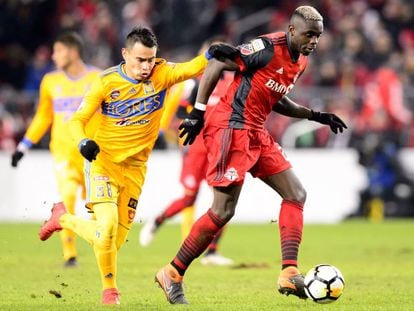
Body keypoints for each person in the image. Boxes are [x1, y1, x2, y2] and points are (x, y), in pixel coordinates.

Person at [155, 5, 348, 305]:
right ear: (292, 30)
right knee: (222, 211)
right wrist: (197, 112)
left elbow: (277, 98)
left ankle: (289, 271)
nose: (314, 41)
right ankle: (173, 272)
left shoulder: (301, 61)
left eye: (318, 36)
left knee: (296, 193)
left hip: (255, 130)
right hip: (230, 126)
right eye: (309, 35)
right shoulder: (268, 47)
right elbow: (218, 62)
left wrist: (316, 115)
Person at [38, 26, 212, 305]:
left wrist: (213, 52)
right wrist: (83, 142)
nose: (146, 66)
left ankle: (63, 219)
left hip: (135, 171)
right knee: (105, 229)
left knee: (111, 243)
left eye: (151, 60)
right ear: (125, 54)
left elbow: (194, 67)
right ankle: (111, 292)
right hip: (102, 164)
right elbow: (76, 120)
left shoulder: (162, 74)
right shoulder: (105, 82)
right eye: (140, 60)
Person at [11, 32, 101, 268]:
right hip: (63, 155)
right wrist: (24, 145)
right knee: (68, 199)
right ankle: (70, 255)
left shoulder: (97, 78)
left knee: (99, 207)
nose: (54, 56)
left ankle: (102, 248)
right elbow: (43, 116)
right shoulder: (50, 82)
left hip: (93, 155)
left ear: (72, 52)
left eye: (58, 51)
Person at [139, 65, 234, 266]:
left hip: (217, 152)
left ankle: (212, 253)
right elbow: (182, 110)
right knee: (189, 199)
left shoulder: (232, 84)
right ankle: (158, 221)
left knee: (223, 200)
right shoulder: (197, 83)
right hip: (195, 150)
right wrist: (186, 128)